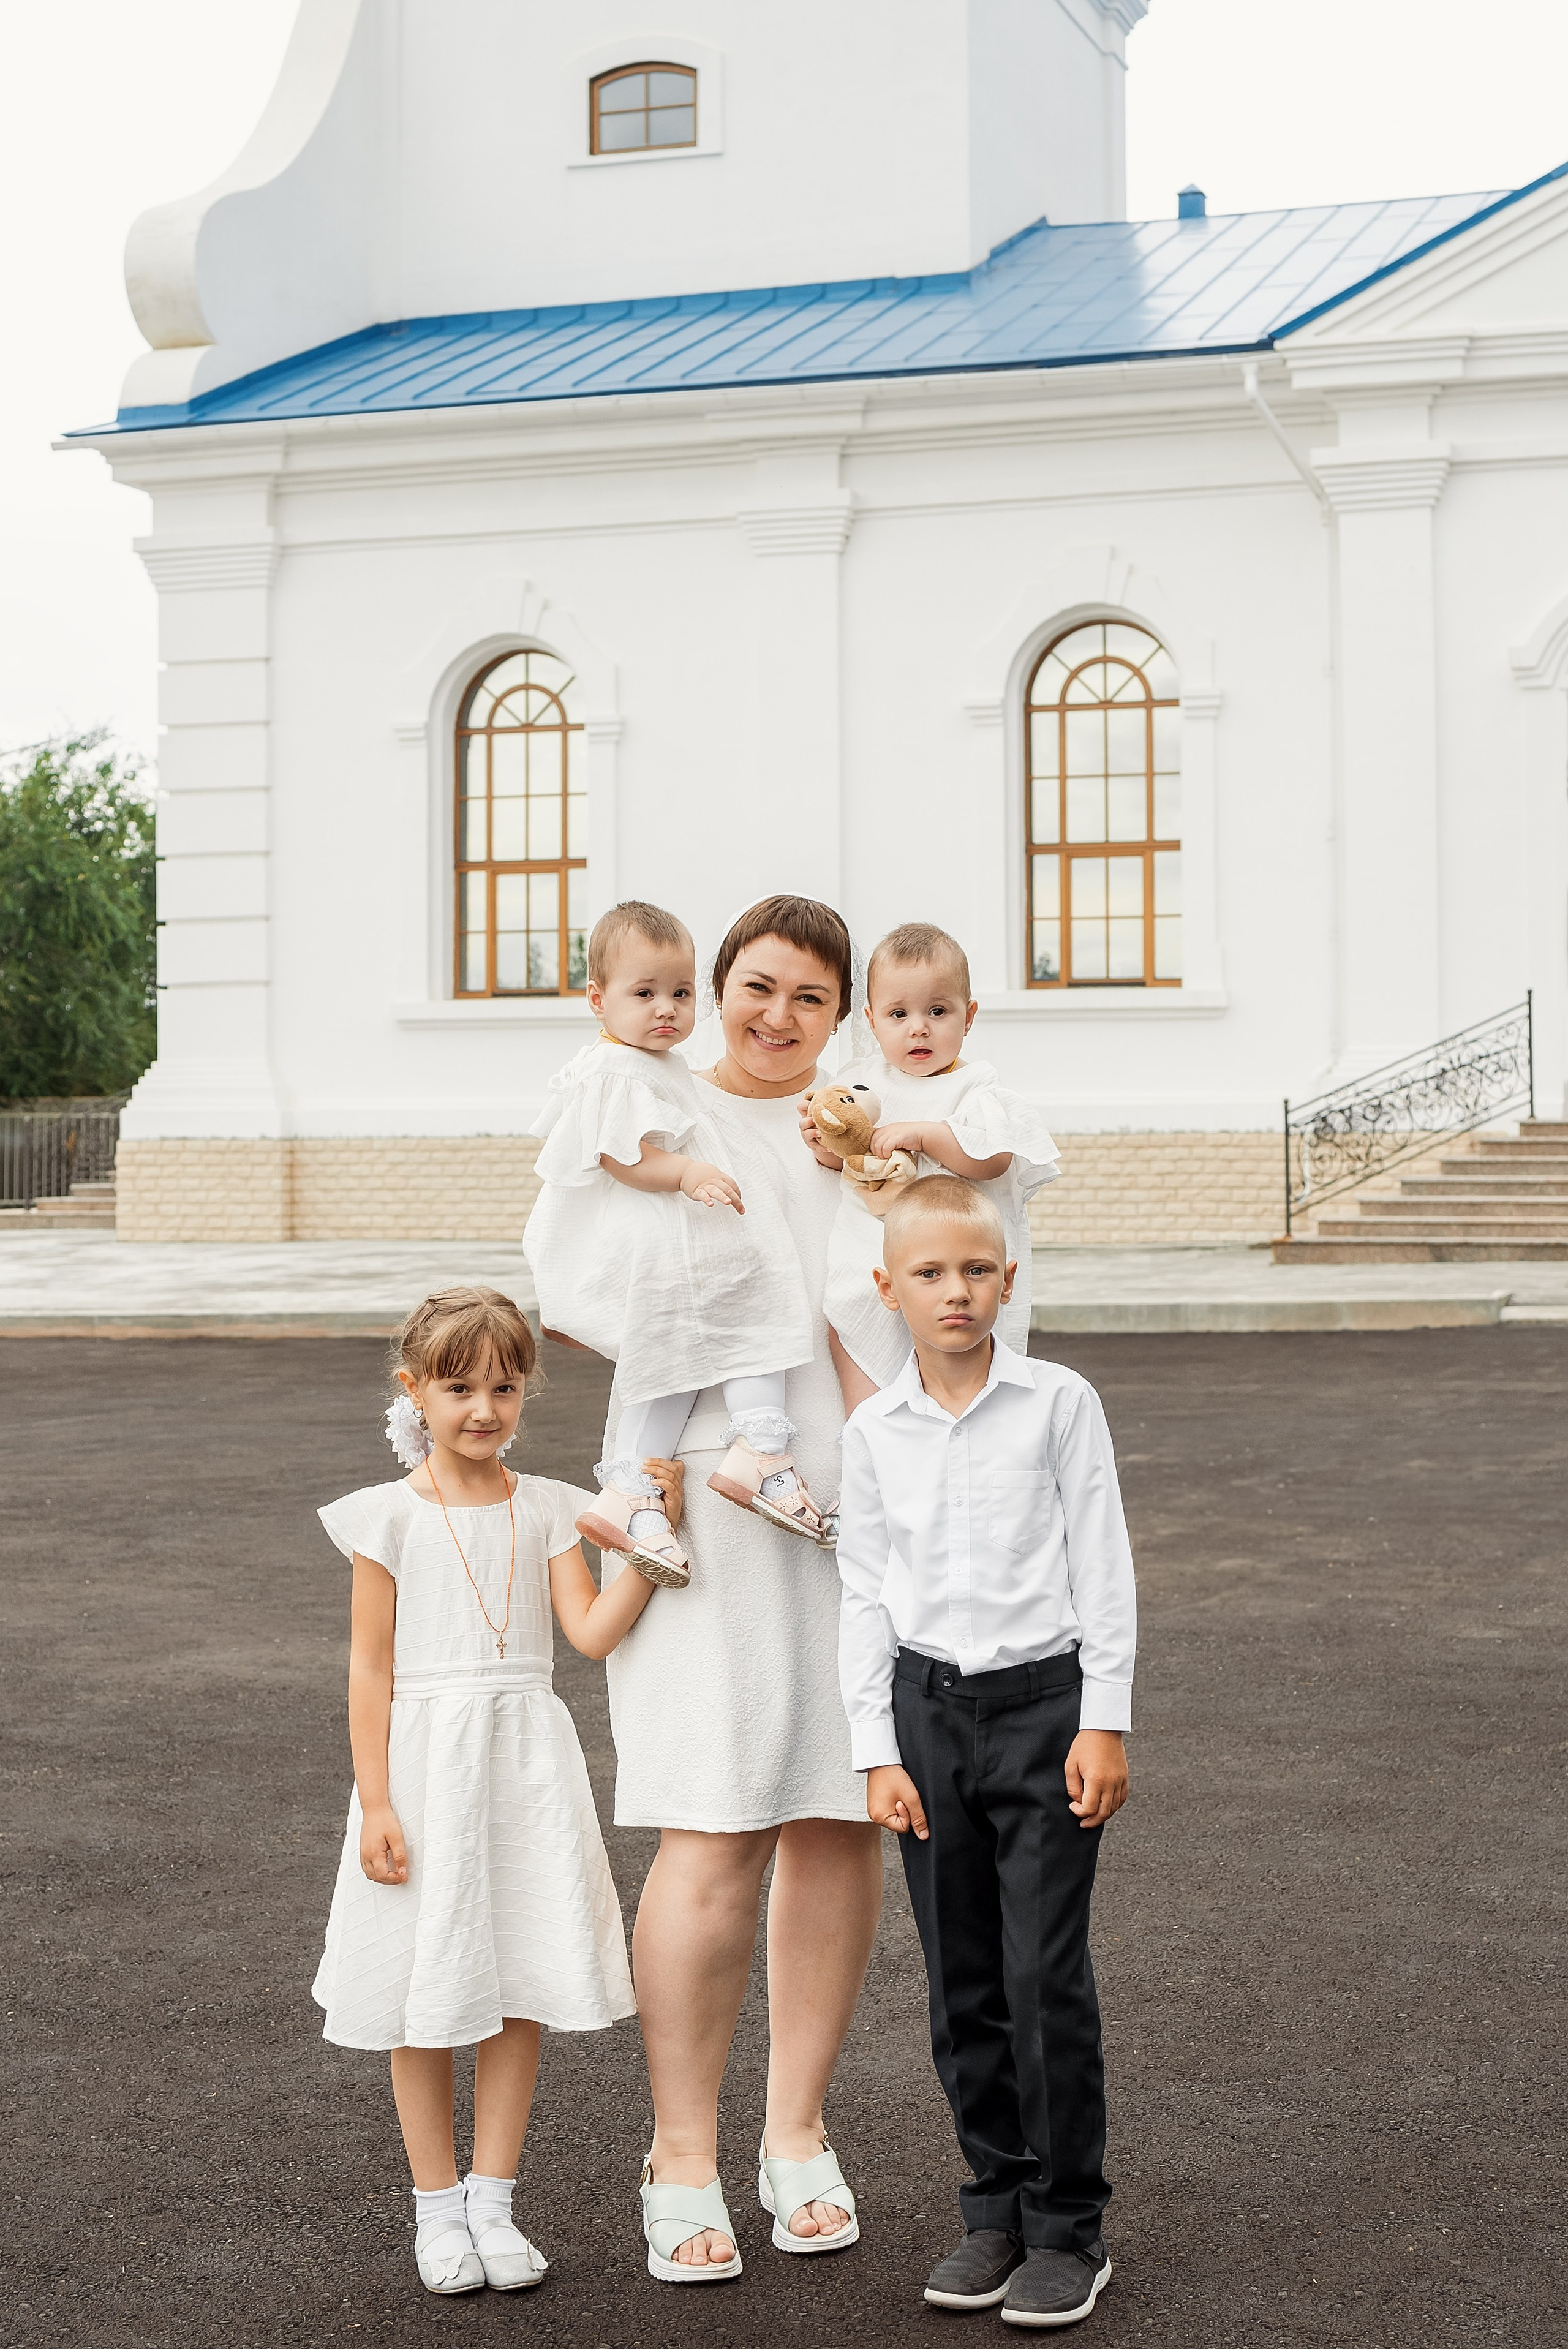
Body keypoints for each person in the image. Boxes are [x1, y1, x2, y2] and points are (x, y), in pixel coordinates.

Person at [598, 896, 881, 2283]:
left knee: (838, 1814)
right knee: (713, 1826)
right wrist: (634, 1489)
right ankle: (678, 2151)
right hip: (712, 1491)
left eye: (808, 996)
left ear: (840, 1014)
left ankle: (795, 2132)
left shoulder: (850, 1131)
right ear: (716, 988)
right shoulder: (665, 1120)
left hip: (861, 1502)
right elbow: (624, 1308)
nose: (778, 1013)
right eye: (757, 986)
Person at [312, 1285, 683, 2296]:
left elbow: (590, 1634)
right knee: (421, 1989)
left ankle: (494, 2200)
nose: (484, 1408)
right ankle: (437, 2209)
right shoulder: (383, 1519)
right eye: (459, 1386)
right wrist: (377, 1802)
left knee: (516, 1980)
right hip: (424, 1771)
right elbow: (370, 1670)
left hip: (522, 1764)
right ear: (415, 1391)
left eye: (505, 1387)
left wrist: (650, 1550)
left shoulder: (556, 1510)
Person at [835, 1178, 1137, 2329]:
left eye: (976, 1269)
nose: (955, 1292)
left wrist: (1103, 1718)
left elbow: (1101, 1567)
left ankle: (1068, 2228)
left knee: (1040, 1973)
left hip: (1046, 1716)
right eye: (928, 1273)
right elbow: (865, 1591)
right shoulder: (873, 1431)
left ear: (1008, 1277)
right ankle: (994, 2210)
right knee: (962, 1983)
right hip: (925, 1720)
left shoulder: (1058, 1403)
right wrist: (878, 1750)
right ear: (889, 1290)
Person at [525, 899, 832, 1579]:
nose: (666, 1010)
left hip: (672, 1242)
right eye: (645, 994)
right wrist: (688, 1171)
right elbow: (622, 1158)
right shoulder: (618, 1069)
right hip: (660, 1243)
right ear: (597, 1000)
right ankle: (759, 1445)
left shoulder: (648, 1062)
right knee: (754, 1301)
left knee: (670, 1367)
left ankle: (631, 1492)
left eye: (679, 993)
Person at [812, 921, 1060, 1412]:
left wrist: (925, 1134)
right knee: (850, 1315)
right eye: (899, 1013)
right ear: (872, 1020)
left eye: (938, 1011)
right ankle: (866, 1430)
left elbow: (991, 1159)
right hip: (873, 1246)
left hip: (947, 1254)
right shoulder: (861, 1080)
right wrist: (825, 1143)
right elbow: (844, 1160)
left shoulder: (975, 1089)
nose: (918, 1027)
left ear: (967, 1017)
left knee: (953, 1354)